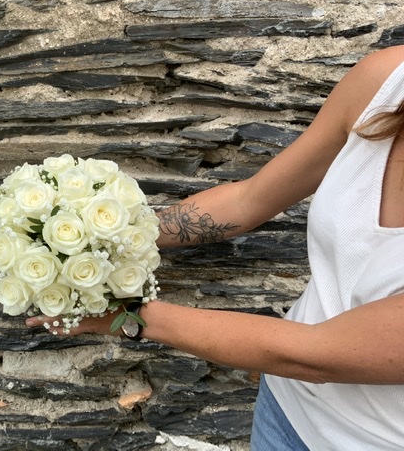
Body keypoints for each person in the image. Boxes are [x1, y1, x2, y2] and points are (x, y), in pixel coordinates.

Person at [26, 44, 404, 450]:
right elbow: (250, 200)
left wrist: (127, 314)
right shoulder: (386, 82)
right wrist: (104, 236)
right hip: (286, 408)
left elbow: (312, 355)